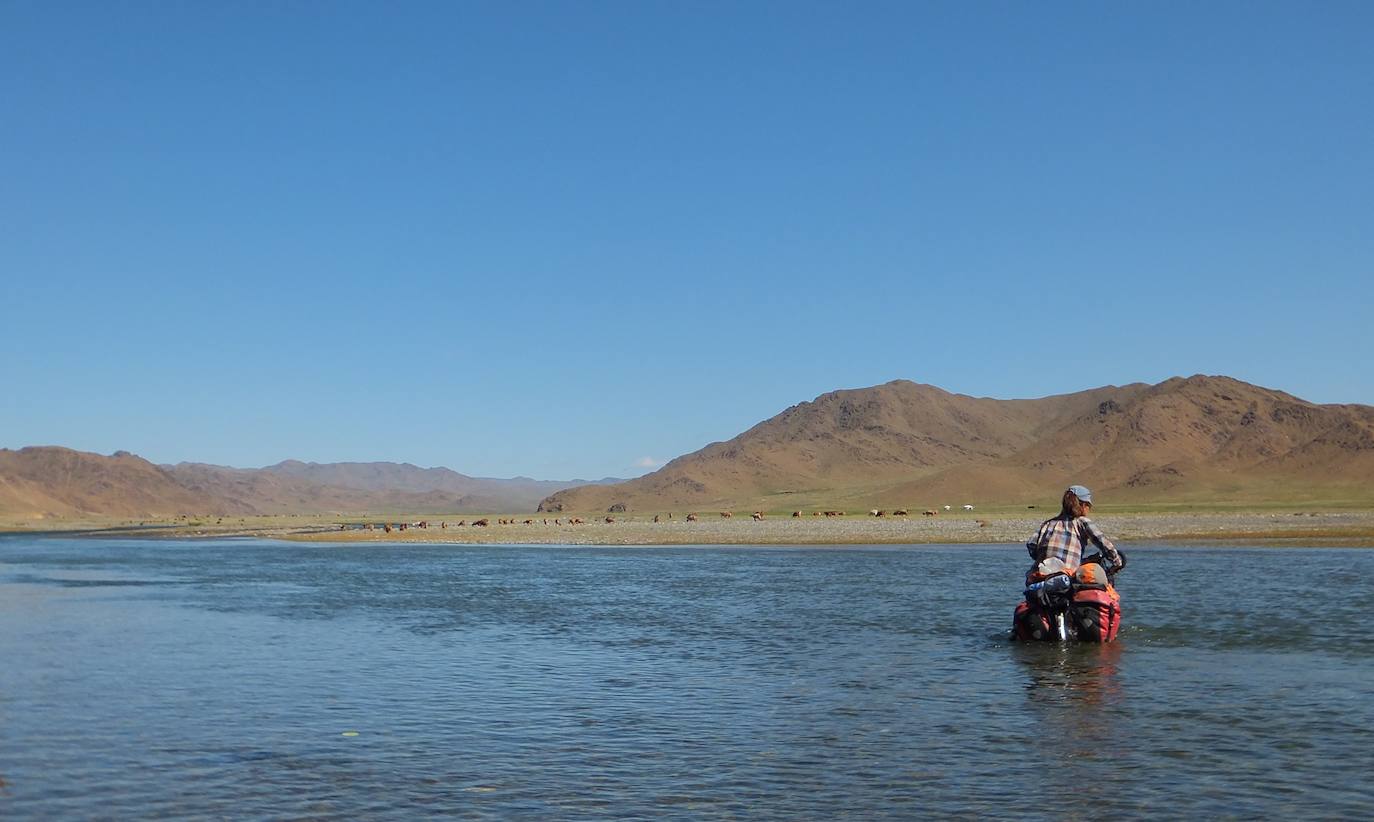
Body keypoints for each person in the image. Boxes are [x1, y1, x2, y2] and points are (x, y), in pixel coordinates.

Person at [1026, 485, 1123, 573]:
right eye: (1089, 506)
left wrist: (1043, 557)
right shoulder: (1082, 522)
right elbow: (1103, 543)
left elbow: (1031, 544)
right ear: (1083, 505)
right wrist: (1117, 562)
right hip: (1067, 575)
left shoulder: (1047, 524)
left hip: (1041, 574)